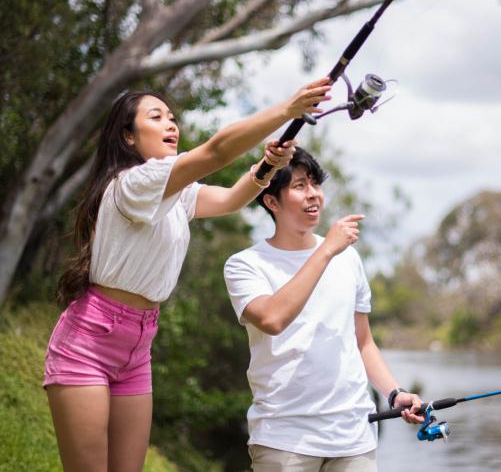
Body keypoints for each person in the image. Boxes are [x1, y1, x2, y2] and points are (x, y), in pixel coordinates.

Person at [44, 77, 331, 472]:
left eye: (172, 117)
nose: (171, 125)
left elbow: (230, 199)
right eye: (156, 116)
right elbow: (215, 151)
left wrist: (267, 165)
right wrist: (287, 109)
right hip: (89, 342)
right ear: (128, 136)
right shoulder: (134, 184)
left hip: (138, 344)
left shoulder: (176, 191)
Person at [223, 147, 424, 472]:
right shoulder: (246, 265)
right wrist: (327, 249)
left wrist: (394, 393)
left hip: (353, 436)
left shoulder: (348, 259)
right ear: (272, 202)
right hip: (283, 438)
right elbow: (272, 318)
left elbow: (362, 342)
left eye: (315, 183)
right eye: (300, 185)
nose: (314, 194)